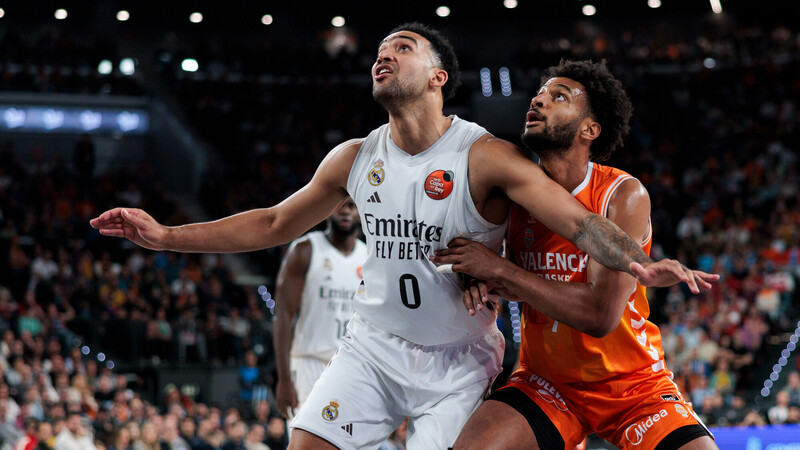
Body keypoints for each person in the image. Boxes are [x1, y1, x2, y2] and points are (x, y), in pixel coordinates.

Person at [91, 24, 712, 449]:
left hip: (465, 360)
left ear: (439, 76)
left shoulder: (490, 158)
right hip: (377, 347)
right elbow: (274, 222)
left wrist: (637, 263)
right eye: (379, 51)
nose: (383, 56)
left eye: (402, 47)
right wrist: (167, 236)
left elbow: (577, 224)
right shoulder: (355, 156)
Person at [432, 60, 718, 449]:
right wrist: (478, 279)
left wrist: (500, 270)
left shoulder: (621, 193)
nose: (538, 100)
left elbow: (599, 316)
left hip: (632, 385)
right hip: (546, 383)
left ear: (590, 129)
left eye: (559, 97)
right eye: (540, 94)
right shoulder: (514, 194)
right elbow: (512, 283)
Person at [273, 197, 367, 419]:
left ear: (361, 211)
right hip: (309, 364)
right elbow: (283, 315)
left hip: (353, 365)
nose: (345, 211)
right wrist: (284, 379)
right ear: (327, 210)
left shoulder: (370, 256)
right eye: (339, 205)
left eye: (351, 206)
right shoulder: (304, 250)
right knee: (303, 436)